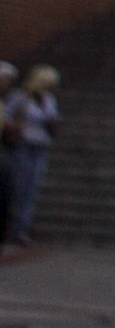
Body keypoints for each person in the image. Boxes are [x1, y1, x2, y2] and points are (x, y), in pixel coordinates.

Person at [0, 63, 58, 253]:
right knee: (18, 186)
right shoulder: (21, 97)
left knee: (31, 188)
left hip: (40, 145)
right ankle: (10, 226)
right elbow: (6, 117)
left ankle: (22, 229)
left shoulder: (49, 100)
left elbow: (53, 120)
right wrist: (16, 129)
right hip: (22, 145)